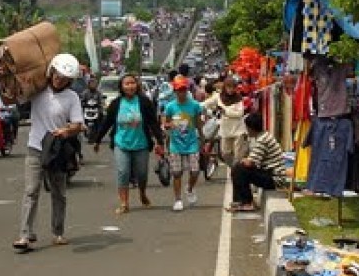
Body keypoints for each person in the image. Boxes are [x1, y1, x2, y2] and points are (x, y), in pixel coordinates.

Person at [13, 53, 84, 251]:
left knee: (58, 193)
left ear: (70, 81)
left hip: (57, 150)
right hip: (35, 147)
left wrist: (66, 130)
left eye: (64, 78)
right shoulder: (37, 90)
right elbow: (13, 94)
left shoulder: (72, 97)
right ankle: (25, 235)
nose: (59, 79)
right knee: (31, 191)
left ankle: (58, 232)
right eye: (57, 75)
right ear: (51, 71)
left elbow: (79, 125)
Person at [94, 73, 165, 214]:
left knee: (142, 174)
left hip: (141, 144)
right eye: (127, 83)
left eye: (132, 83)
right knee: (123, 172)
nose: (130, 86)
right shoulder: (116, 104)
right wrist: (98, 139)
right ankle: (124, 202)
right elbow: (107, 123)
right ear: (121, 86)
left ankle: (142, 193)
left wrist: (160, 141)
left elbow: (153, 123)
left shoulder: (144, 102)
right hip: (121, 144)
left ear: (137, 85)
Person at [229, 113, 288, 212]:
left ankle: (247, 202)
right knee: (238, 167)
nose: (246, 130)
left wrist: (243, 160)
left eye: (247, 128)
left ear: (251, 128)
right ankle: (240, 200)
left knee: (240, 169)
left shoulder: (263, 140)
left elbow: (250, 163)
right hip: (269, 174)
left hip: (274, 178)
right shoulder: (264, 136)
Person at [163, 75, 204, 212]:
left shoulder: (194, 105)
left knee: (195, 171)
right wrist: (168, 128)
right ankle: (178, 199)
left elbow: (198, 122)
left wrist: (202, 137)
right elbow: (165, 124)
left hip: (192, 142)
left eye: (183, 90)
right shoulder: (170, 107)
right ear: (175, 91)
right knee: (176, 173)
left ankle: (190, 188)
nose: (181, 92)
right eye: (179, 90)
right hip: (175, 144)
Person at [201, 77, 247, 166]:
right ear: (225, 87)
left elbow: (240, 113)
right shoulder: (218, 97)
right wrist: (194, 106)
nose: (231, 89)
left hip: (238, 129)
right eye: (229, 87)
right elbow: (207, 103)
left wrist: (225, 112)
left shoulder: (238, 98)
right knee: (225, 153)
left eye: (233, 87)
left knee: (238, 155)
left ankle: (237, 173)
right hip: (225, 130)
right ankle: (234, 169)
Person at [80, 76, 104, 144]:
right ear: (88, 84)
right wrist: (83, 104)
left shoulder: (98, 93)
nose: (93, 85)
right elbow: (81, 100)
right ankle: (85, 129)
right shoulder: (85, 92)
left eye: (94, 84)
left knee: (102, 117)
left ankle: (99, 132)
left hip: (96, 110)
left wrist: (101, 105)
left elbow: (101, 101)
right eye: (91, 83)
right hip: (87, 110)